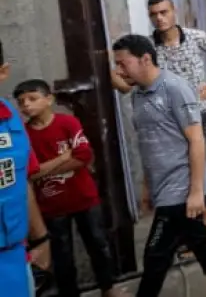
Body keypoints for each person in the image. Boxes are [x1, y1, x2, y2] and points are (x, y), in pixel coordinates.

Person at [111, 34, 206, 297]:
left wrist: (195, 191)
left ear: (145, 59)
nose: (118, 71)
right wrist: (148, 187)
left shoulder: (174, 88)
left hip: (181, 185)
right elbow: (149, 145)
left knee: (156, 253)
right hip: (163, 185)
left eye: (123, 64)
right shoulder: (138, 95)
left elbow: (196, 139)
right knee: (199, 239)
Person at [15, 79, 123, 297]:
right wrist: (62, 158)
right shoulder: (23, 135)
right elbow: (29, 173)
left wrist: (43, 169)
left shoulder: (68, 123)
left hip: (83, 197)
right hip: (52, 205)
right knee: (62, 256)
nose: (27, 105)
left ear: (49, 99)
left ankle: (109, 289)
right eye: (21, 102)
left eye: (33, 99)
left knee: (98, 245)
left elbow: (83, 157)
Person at [133, 0, 206, 228]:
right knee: (176, 168)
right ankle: (183, 221)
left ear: (173, 11)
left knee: (204, 168)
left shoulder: (195, 37)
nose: (159, 18)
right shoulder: (148, 46)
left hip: (203, 113)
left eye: (163, 12)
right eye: (154, 14)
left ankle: (204, 223)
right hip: (170, 120)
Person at [0, 54, 52, 297]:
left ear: (3, 73)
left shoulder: (9, 116)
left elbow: (22, 181)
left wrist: (40, 238)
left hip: (14, 256)